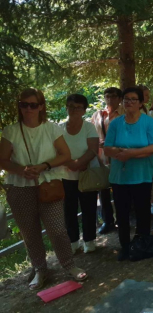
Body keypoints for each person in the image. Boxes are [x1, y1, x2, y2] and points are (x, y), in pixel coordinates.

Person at [0, 88, 87, 290]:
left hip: (49, 183)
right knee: (30, 233)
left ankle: (69, 265)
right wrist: (22, 170)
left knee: (57, 229)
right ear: (19, 106)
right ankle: (40, 269)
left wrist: (44, 166)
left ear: (41, 107)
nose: (28, 109)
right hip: (20, 186)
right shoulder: (10, 131)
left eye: (33, 105)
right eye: (24, 104)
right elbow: (3, 160)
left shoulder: (52, 128)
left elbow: (65, 155)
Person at [104, 87, 153, 261]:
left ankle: (142, 244)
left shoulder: (148, 122)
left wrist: (129, 153)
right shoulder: (115, 123)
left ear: (141, 103)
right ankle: (125, 247)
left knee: (143, 212)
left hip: (142, 175)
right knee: (122, 213)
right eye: (126, 99)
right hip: (120, 177)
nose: (128, 102)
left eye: (133, 99)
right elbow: (107, 148)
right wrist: (137, 152)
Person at [61, 94, 99, 254]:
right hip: (65, 175)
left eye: (78, 107)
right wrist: (69, 164)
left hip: (85, 174)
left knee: (88, 208)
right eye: (70, 106)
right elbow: (55, 150)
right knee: (68, 210)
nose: (74, 110)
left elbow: (93, 149)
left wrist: (78, 164)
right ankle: (73, 241)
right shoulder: (59, 127)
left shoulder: (89, 127)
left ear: (84, 110)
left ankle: (89, 240)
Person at [91, 87, 124, 234]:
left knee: (120, 191)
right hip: (102, 159)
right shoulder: (98, 115)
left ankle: (123, 219)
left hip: (119, 157)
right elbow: (91, 133)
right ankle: (107, 221)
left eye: (113, 96)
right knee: (103, 191)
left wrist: (113, 143)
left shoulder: (125, 113)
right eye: (107, 96)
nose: (110, 99)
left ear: (119, 98)